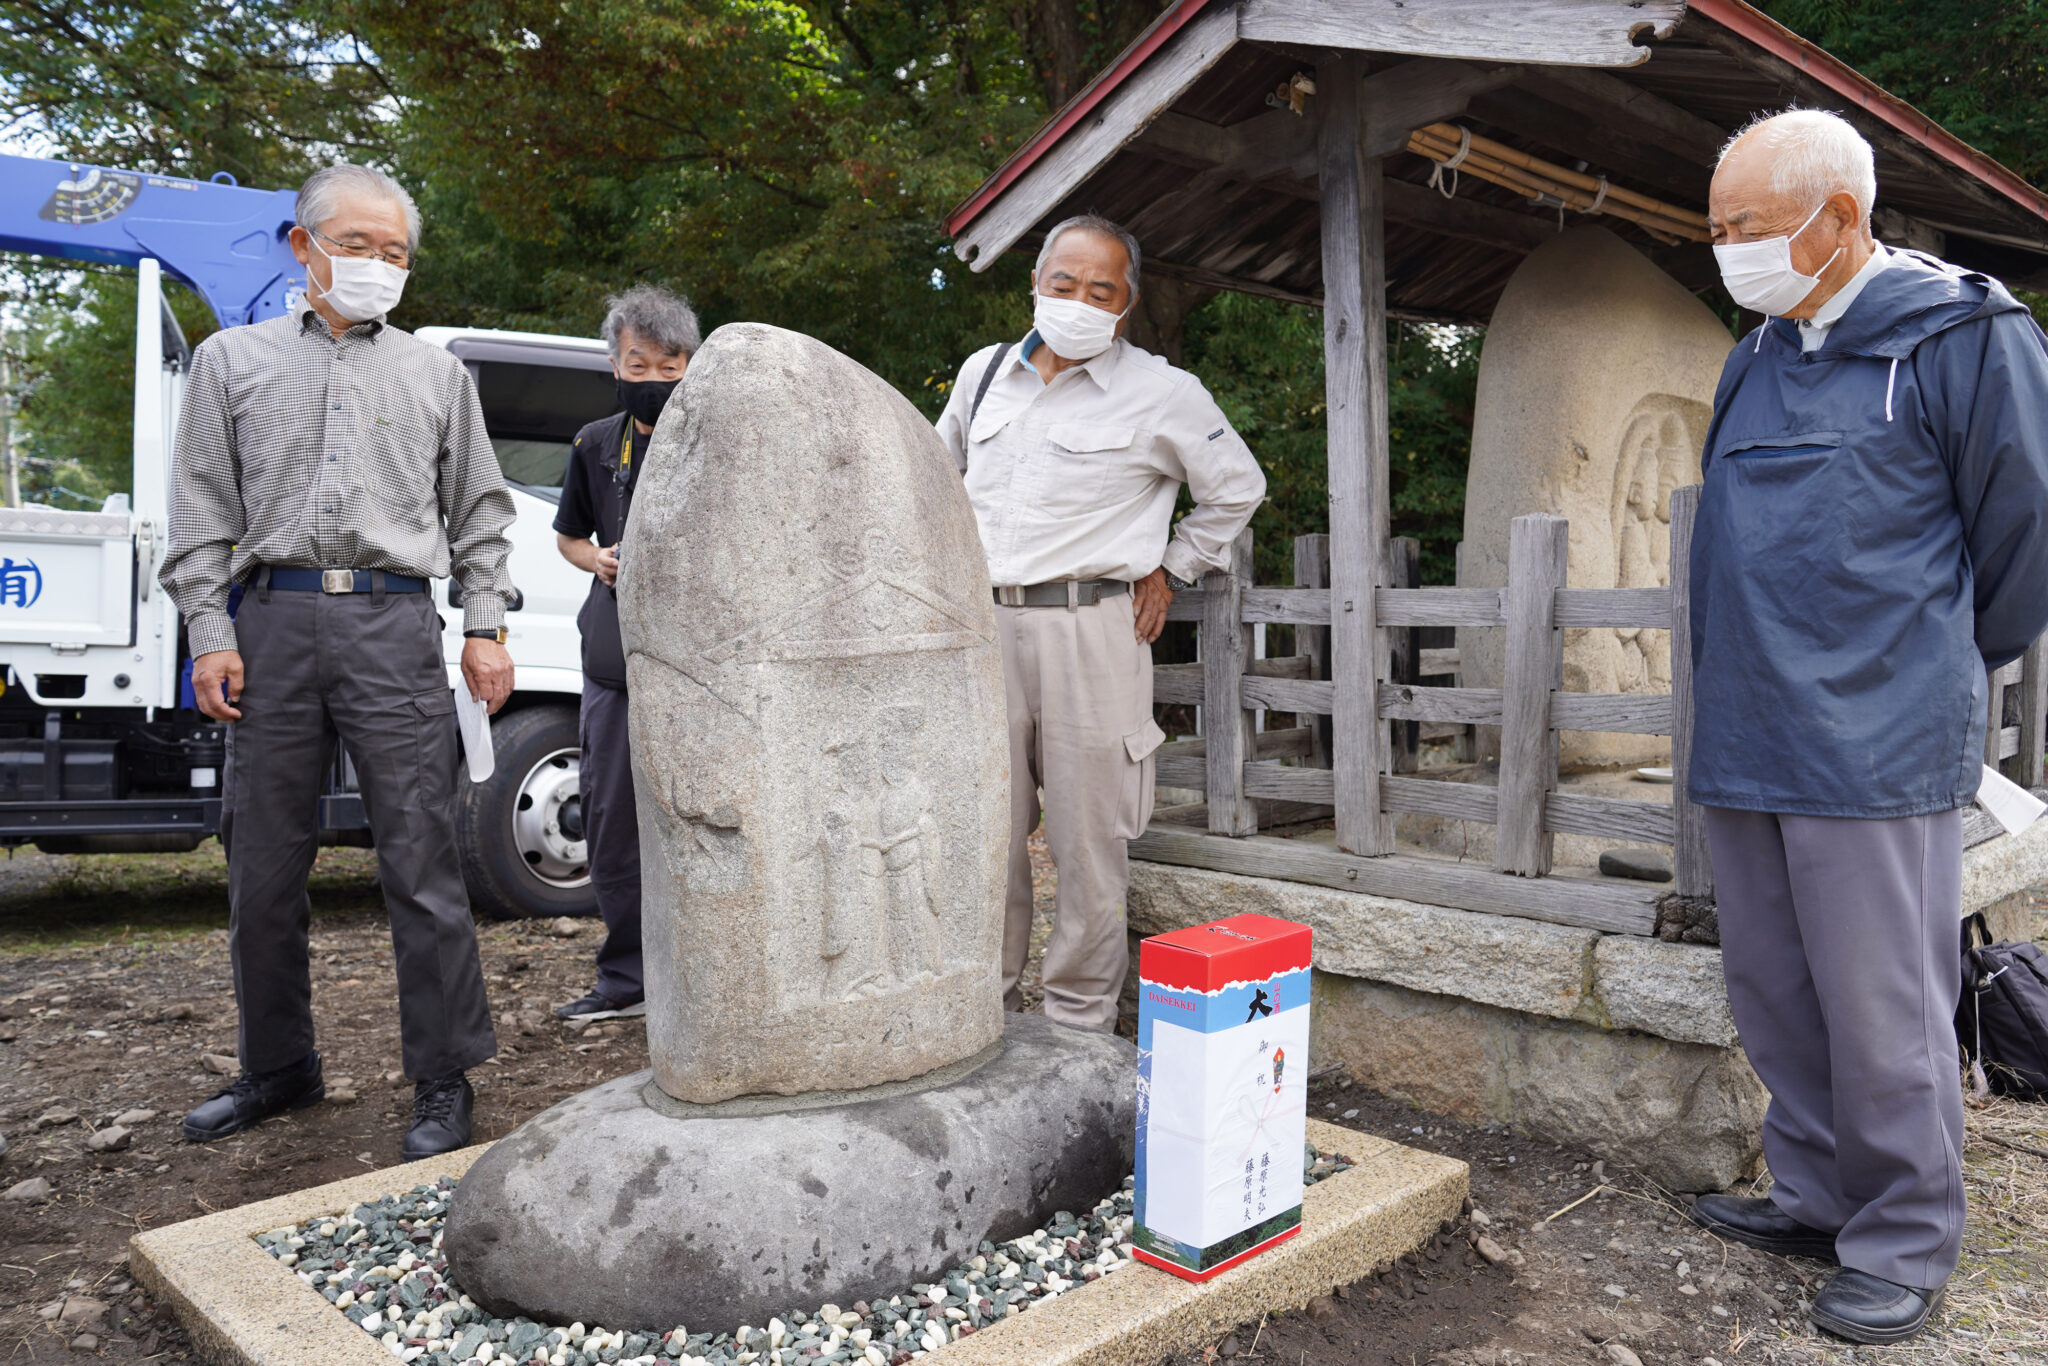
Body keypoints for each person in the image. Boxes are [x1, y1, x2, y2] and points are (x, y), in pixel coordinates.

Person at [1690, 109, 2048, 1344]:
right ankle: (1814, 1193)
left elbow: (2022, 539)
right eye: (1714, 229)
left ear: (1837, 217)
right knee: (1774, 985)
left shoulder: (1961, 336)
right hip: (1747, 722)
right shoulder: (1756, 353)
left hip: (1875, 734)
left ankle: (1901, 1234)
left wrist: (1925, 665)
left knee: (1879, 999)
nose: (1724, 251)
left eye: (1742, 227)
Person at [161, 163, 516, 1159]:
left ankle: (443, 1076)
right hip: (270, 623)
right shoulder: (231, 362)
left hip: (393, 624)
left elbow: (480, 513)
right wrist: (210, 633)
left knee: (421, 858)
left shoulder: (437, 375)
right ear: (302, 245)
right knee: (262, 862)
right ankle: (279, 1065)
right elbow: (200, 508)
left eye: (394, 253)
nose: (376, 266)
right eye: (356, 245)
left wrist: (484, 625)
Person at [935, 215, 1266, 1032]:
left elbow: (1237, 487)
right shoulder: (983, 375)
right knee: (982, 835)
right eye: (1064, 283)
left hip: (1093, 631)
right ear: (1035, 283)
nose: (1079, 301)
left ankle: (1078, 1026)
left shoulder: (1164, 391)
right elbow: (936, 480)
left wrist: (1173, 566)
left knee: (1089, 844)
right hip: (980, 632)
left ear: (1126, 304)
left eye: (1100, 290)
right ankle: (982, 1015)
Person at [551, 285, 701, 1019]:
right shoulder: (595, 443)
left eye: (671, 368)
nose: (654, 381)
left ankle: (708, 973)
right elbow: (567, 538)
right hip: (614, 663)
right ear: (614, 363)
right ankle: (627, 978)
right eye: (639, 365)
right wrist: (598, 560)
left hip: (701, 665)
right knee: (611, 817)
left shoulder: (719, 437)